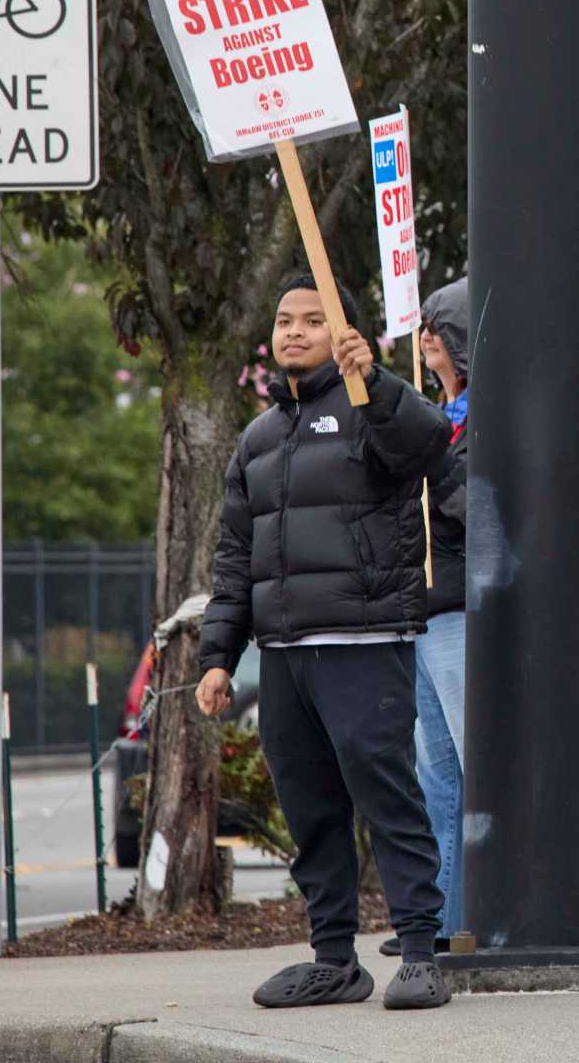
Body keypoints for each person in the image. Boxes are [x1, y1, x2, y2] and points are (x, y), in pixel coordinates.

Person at [196, 274, 455, 1011]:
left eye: (314, 320)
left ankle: (418, 950)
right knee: (311, 813)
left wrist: (375, 376)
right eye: (285, 320)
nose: (296, 331)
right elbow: (233, 561)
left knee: (388, 800)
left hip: (364, 641)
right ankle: (335, 960)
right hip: (282, 655)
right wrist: (218, 656)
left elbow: (430, 441)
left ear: (341, 332)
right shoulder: (258, 438)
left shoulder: (373, 409)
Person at [379, 276, 471, 957]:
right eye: (425, 326)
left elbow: (477, 511)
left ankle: (485, 913)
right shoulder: (432, 419)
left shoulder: (475, 424)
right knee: (436, 776)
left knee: (473, 767)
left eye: (440, 327)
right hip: (425, 611)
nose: (427, 338)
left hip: (462, 612)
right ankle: (441, 921)